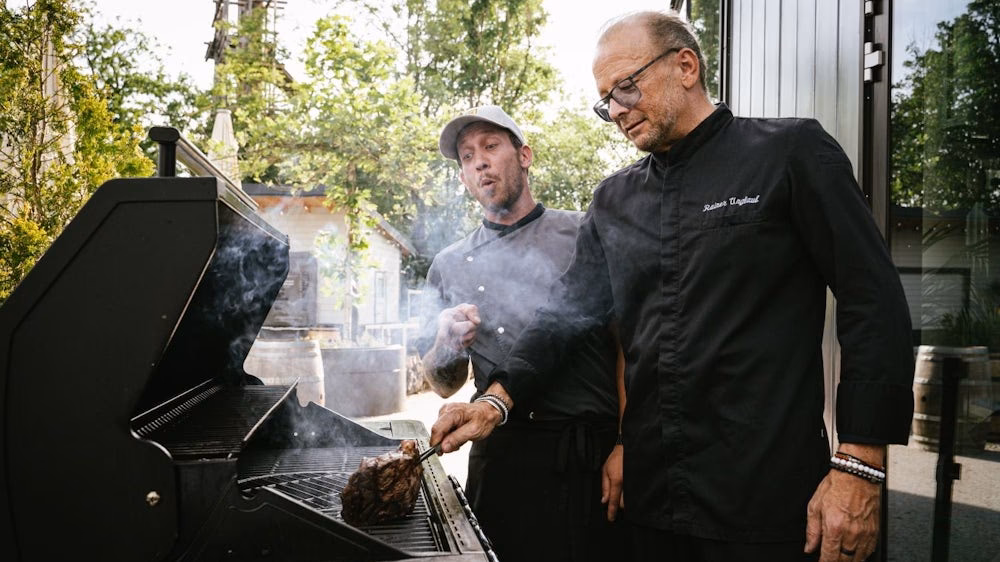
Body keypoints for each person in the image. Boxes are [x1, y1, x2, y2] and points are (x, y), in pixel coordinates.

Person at [430, 11, 914, 562]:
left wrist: (860, 464)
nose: (615, 110)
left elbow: (872, 300)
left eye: (626, 87)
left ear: (686, 66)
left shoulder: (790, 153)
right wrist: (496, 400)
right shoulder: (614, 201)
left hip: (769, 502)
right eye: (605, 99)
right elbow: (564, 314)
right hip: (653, 503)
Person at [418, 105, 630, 562]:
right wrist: (445, 344)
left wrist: (624, 443)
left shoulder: (582, 233)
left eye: (491, 146)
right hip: (500, 455)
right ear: (463, 178)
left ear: (524, 155)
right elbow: (443, 383)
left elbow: (626, 348)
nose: (479, 161)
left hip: (584, 453)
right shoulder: (449, 263)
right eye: (467, 155)